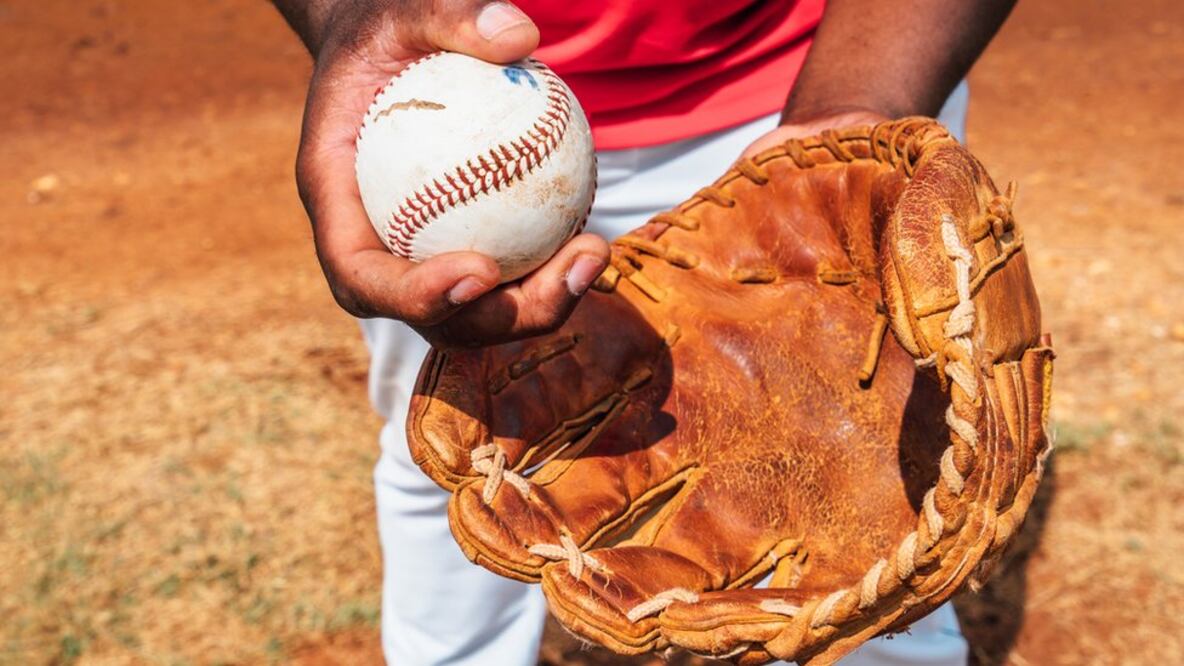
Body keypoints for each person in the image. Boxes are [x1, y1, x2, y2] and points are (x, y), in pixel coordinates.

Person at [269, 1, 1016, 663]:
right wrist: (349, 16)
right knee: (458, 451)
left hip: (815, 73)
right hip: (430, 114)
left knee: (865, 457)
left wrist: (851, 111)